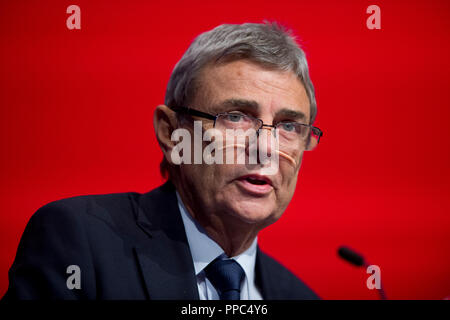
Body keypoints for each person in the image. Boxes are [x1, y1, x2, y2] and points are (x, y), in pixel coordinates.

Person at [3, 22, 323, 300]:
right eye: (236, 117)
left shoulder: (300, 295)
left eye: (288, 127)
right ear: (171, 133)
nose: (265, 148)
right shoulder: (79, 245)